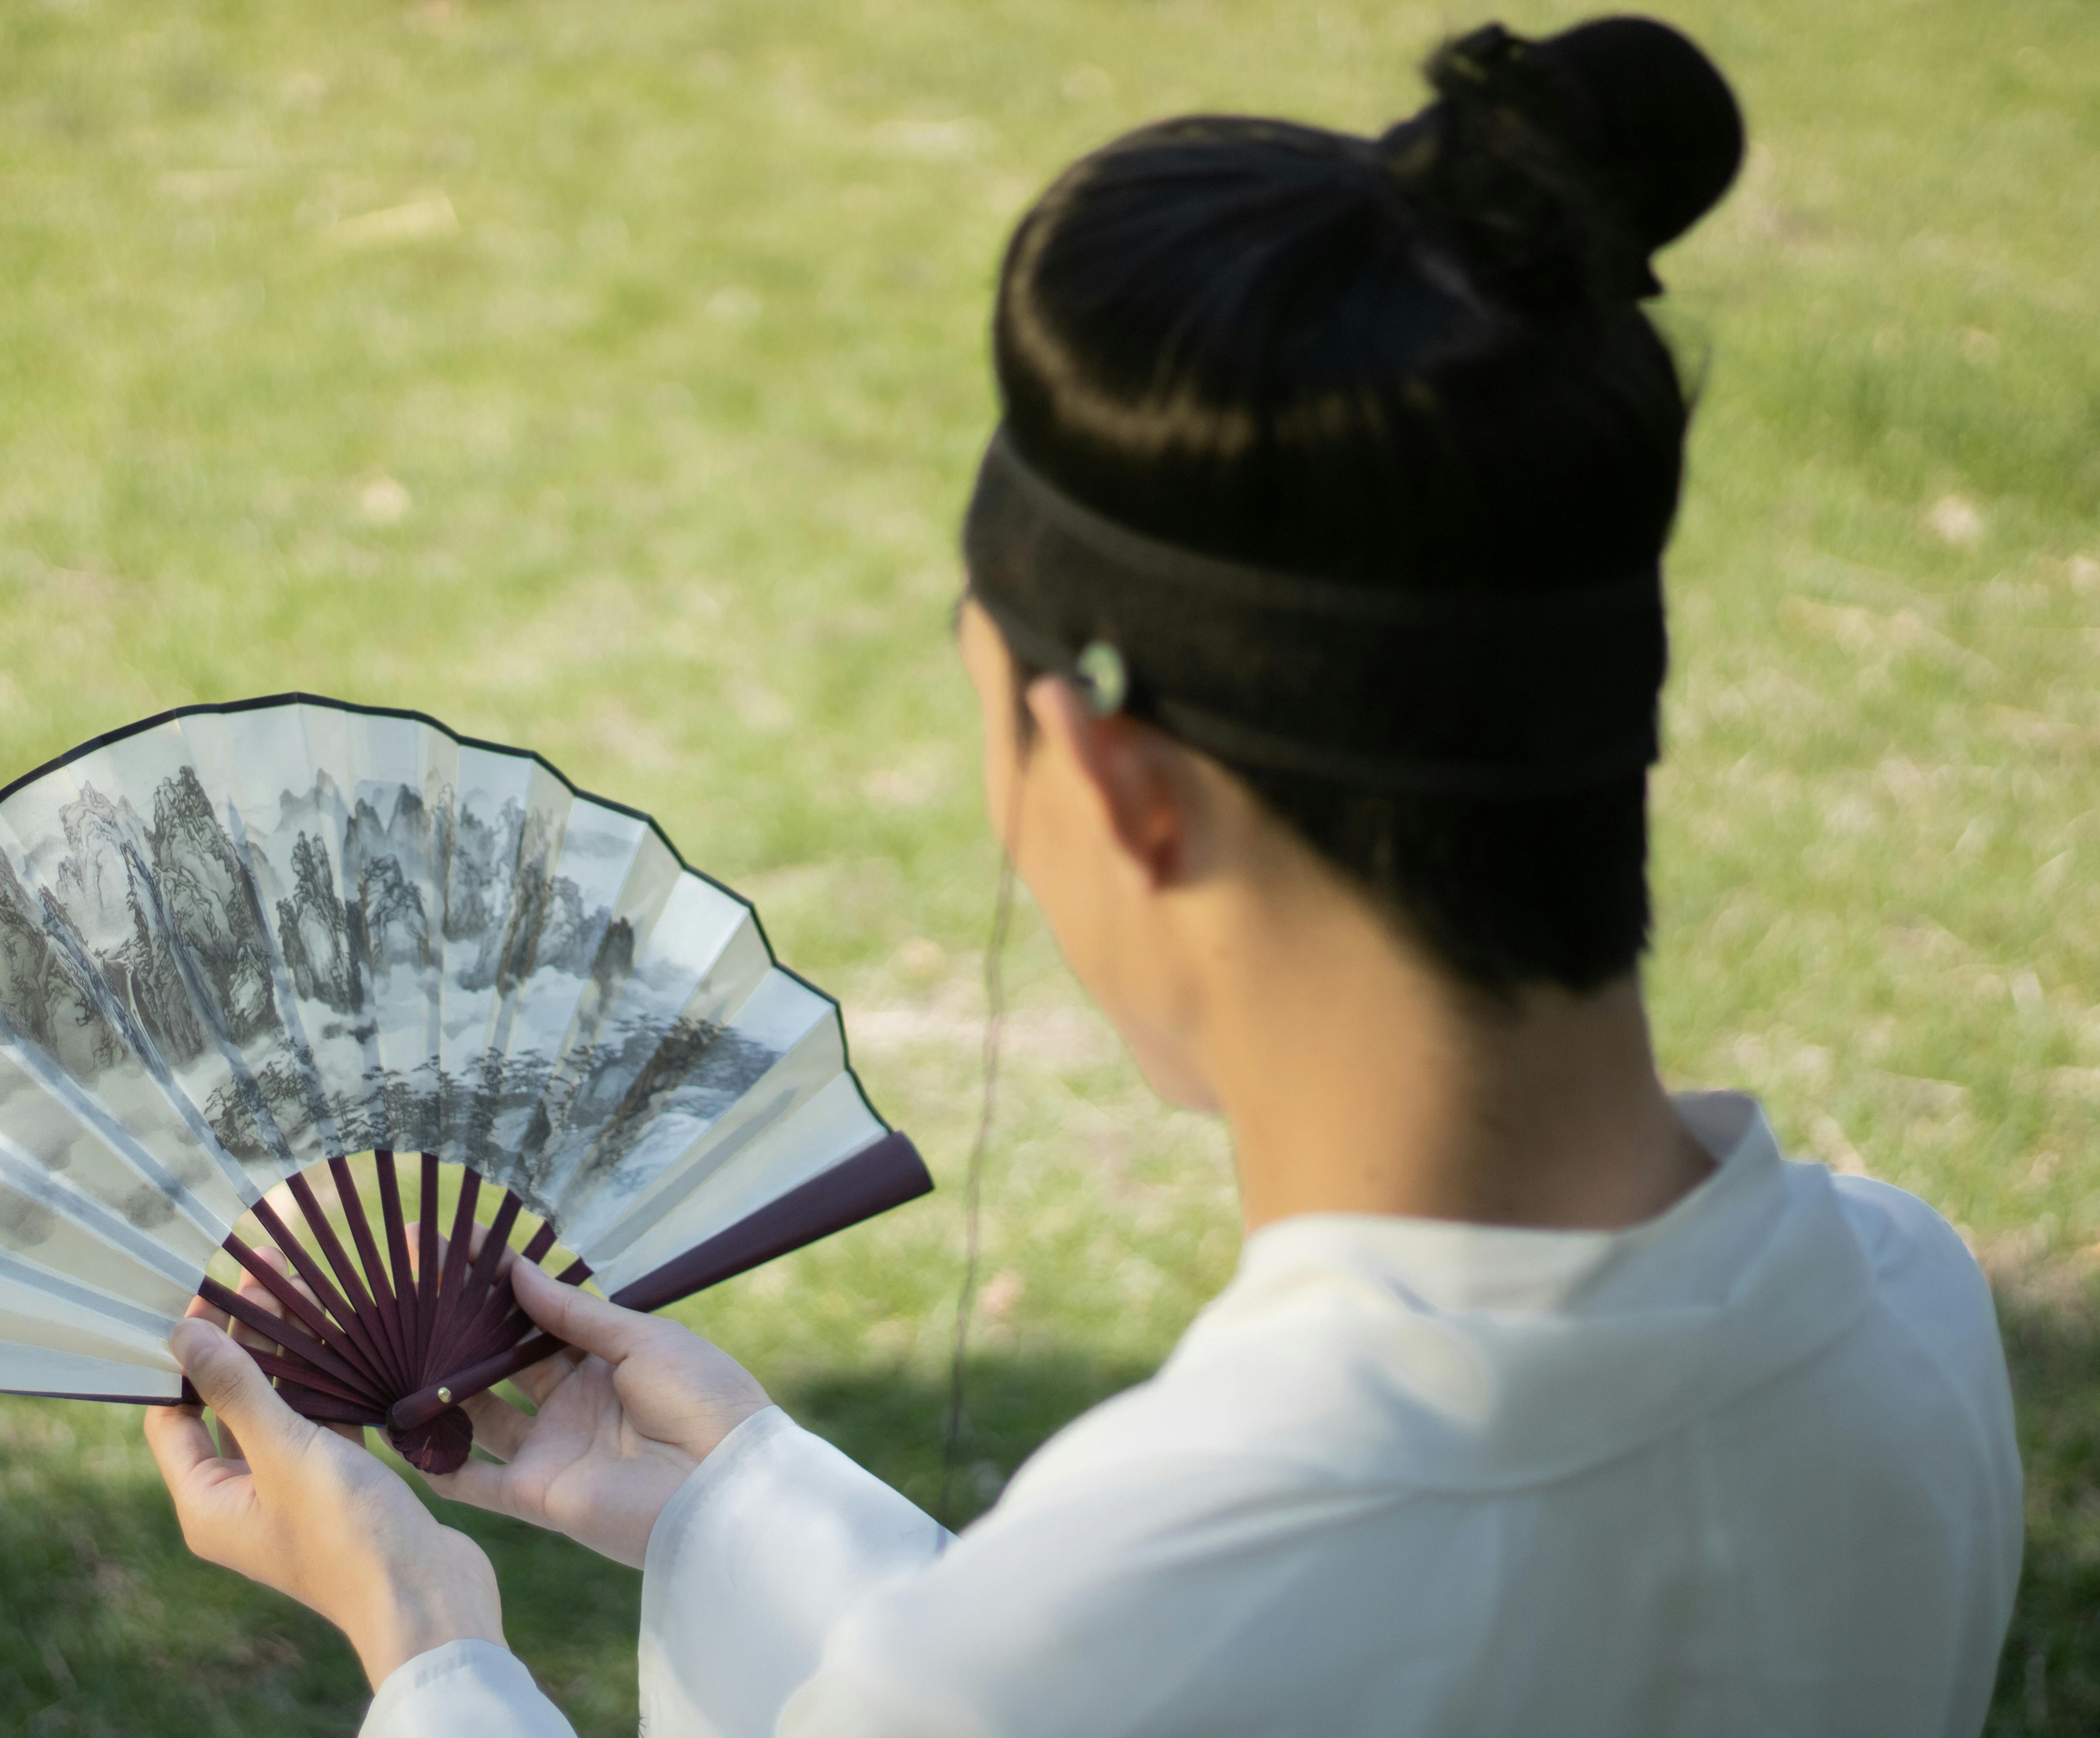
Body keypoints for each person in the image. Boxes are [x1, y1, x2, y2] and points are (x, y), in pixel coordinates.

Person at [141, 16, 2024, 1735]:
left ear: (1113, 781)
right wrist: (739, 1499)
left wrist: (426, 1638)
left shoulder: (1153, 1607)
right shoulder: (1912, 1316)